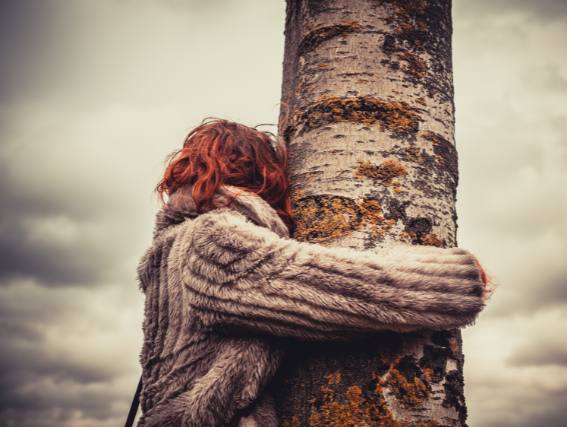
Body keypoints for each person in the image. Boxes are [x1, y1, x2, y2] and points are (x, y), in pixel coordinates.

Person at [134, 117, 495, 426]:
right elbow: (338, 287)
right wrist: (457, 282)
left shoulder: (168, 250)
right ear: (264, 178)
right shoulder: (214, 240)